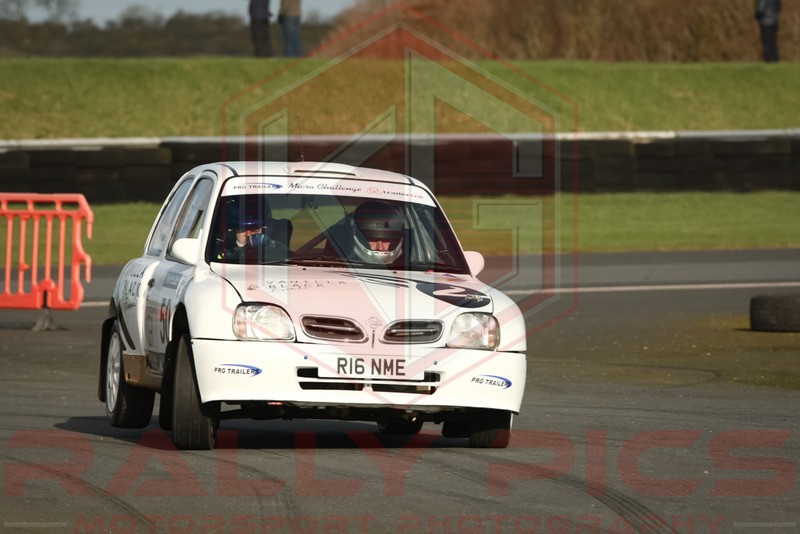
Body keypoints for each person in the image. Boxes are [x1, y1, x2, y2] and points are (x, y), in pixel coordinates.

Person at [351, 201, 405, 265]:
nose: (380, 248)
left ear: (396, 241)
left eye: (386, 240)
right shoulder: (340, 266)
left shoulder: (410, 267)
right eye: (373, 240)